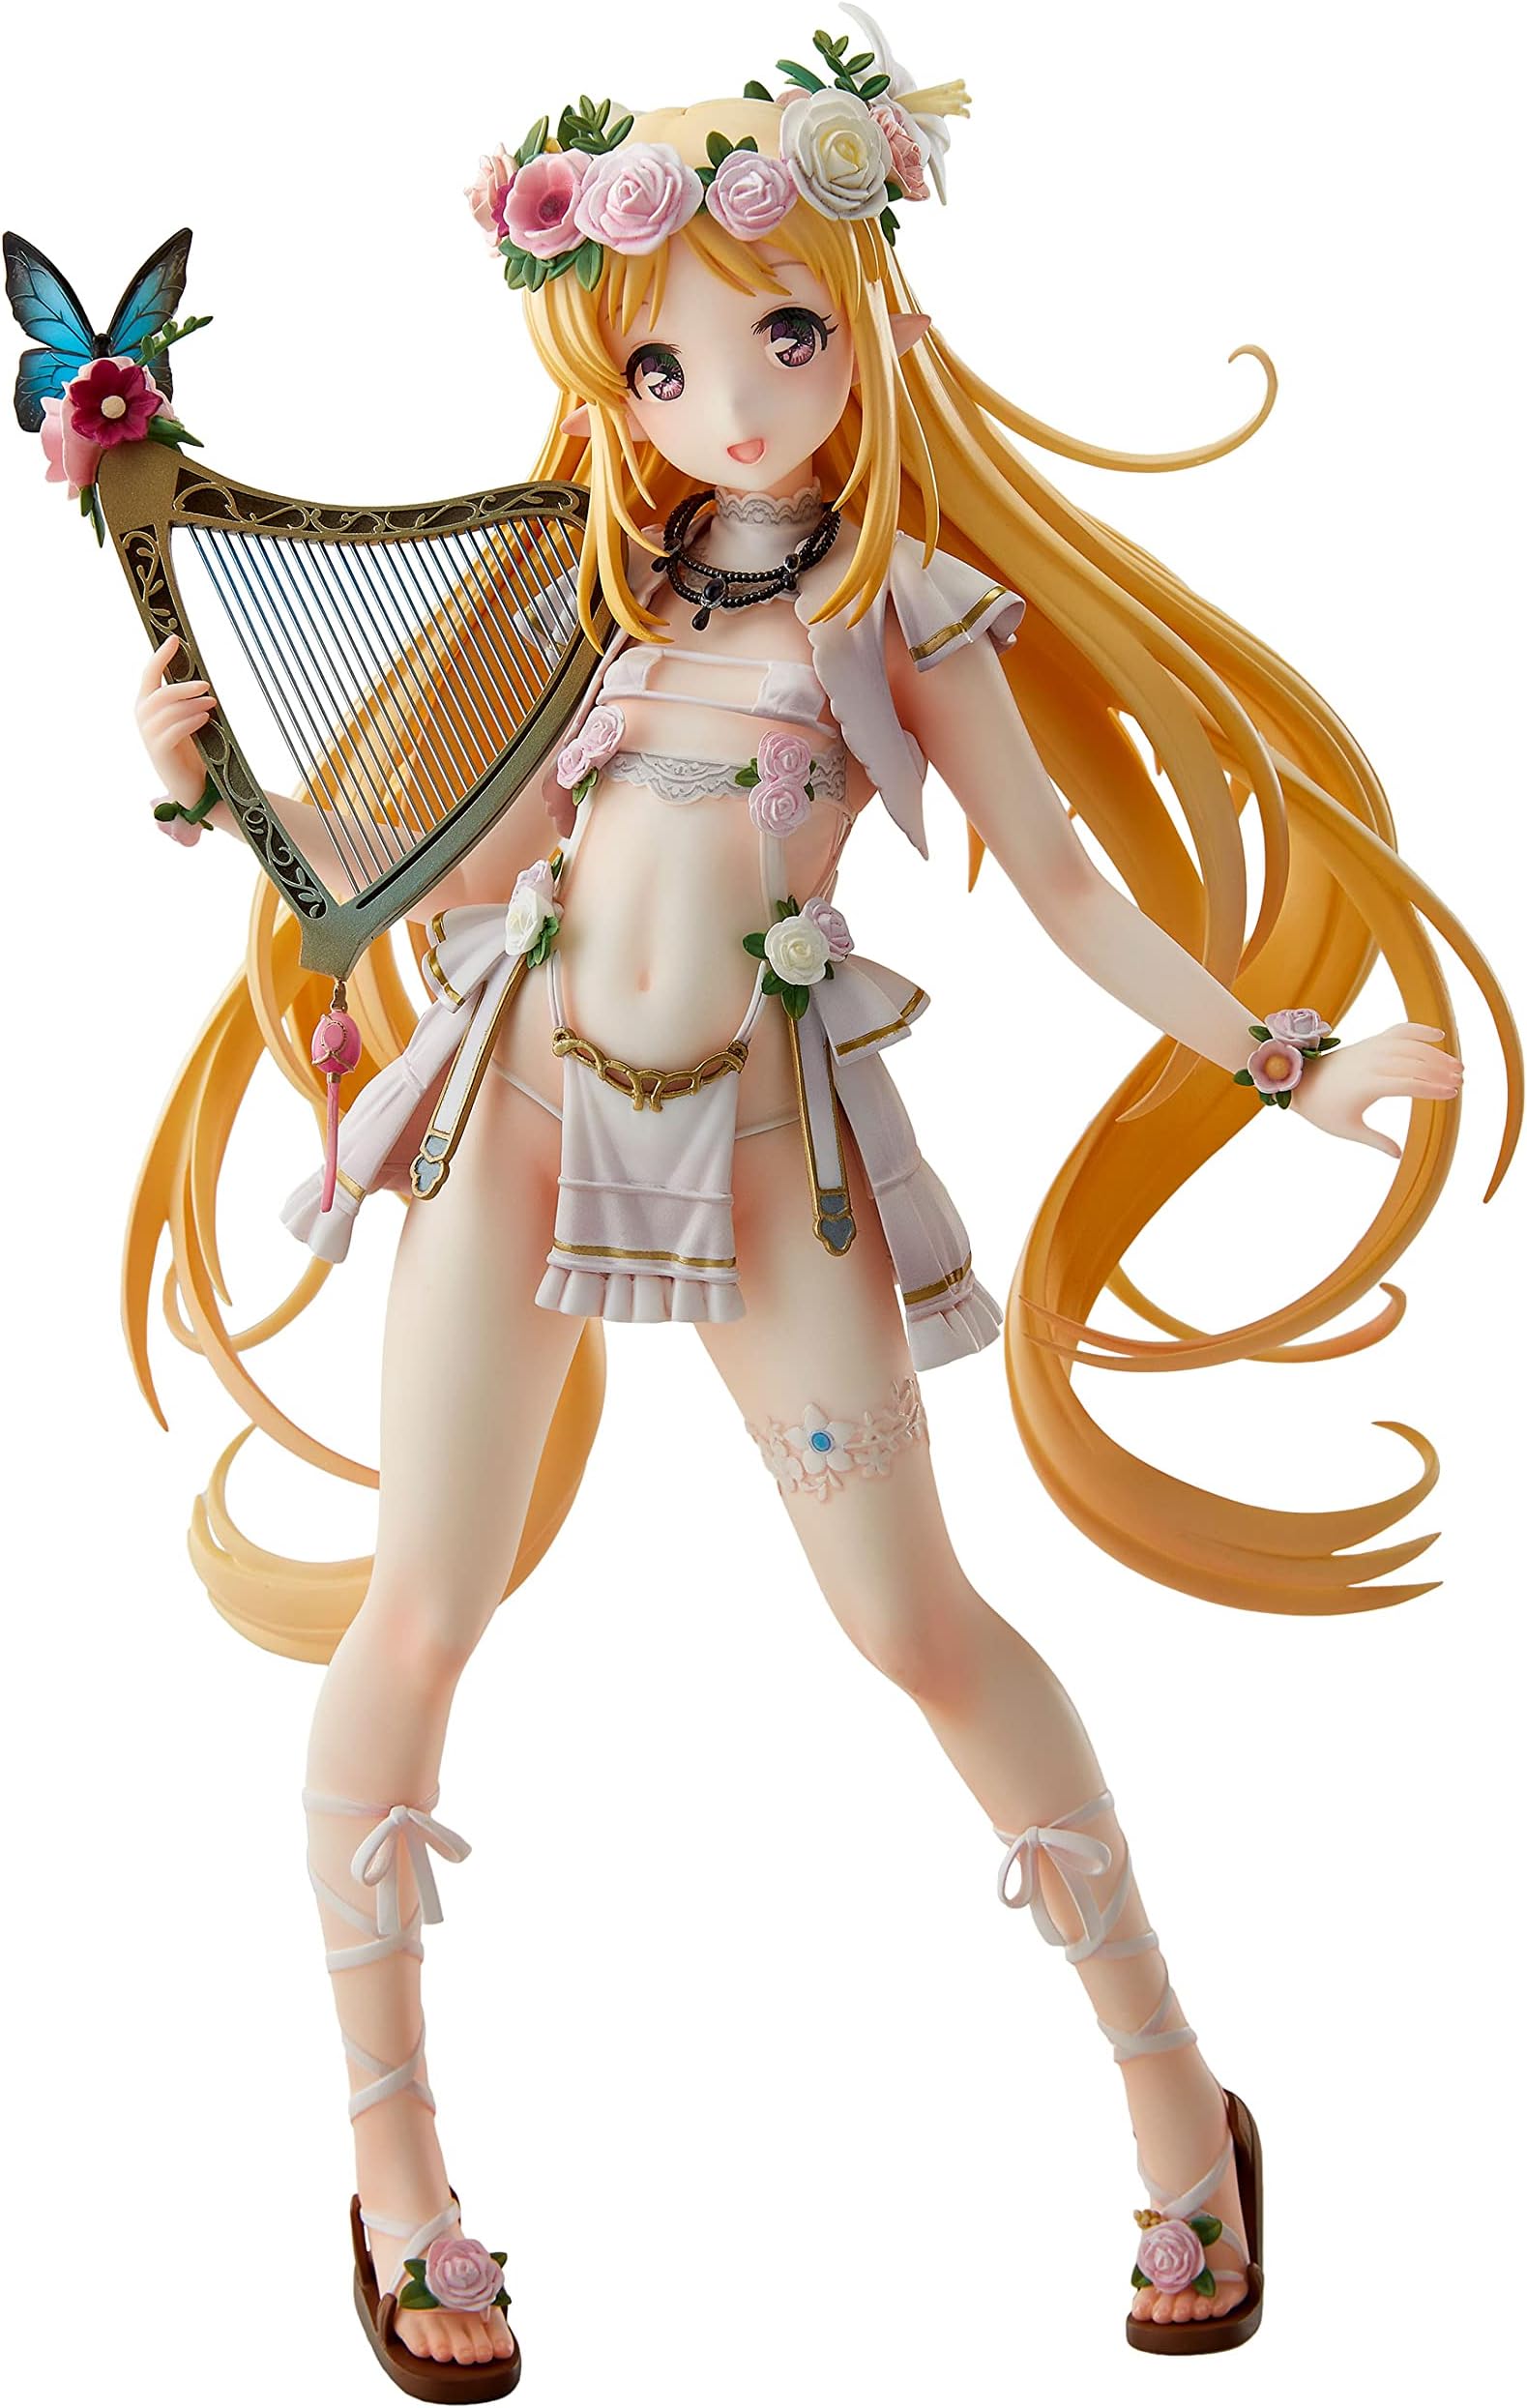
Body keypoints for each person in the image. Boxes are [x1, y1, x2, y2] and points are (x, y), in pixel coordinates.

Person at [129, 13, 1514, 2387]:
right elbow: (428, 866)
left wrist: (1279, 1060)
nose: (733, 402)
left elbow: (1065, 891)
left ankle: (1178, 2112)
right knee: (423, 1608)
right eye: (665, 366)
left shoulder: (903, 610)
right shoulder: (584, 605)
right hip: (510, 1115)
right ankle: (396, 2176)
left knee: (911, 1622)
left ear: (868, 314)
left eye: (783, 335)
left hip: (767, 1154)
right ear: (610, 380)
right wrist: (215, 801)